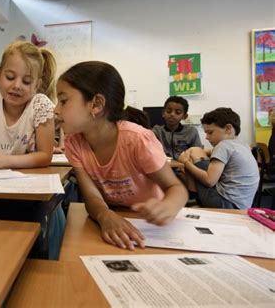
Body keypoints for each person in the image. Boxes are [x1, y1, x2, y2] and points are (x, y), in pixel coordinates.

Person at [55, 61, 188, 250]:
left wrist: (168, 207)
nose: (56, 109)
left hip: (151, 227)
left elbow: (176, 188)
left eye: (63, 100)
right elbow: (92, 198)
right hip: (112, 219)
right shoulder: (73, 144)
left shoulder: (137, 140)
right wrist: (105, 216)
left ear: (97, 104)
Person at [0, 40, 56, 170]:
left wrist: (6, 161)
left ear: (36, 86)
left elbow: (45, 156)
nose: (17, 86)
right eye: (10, 77)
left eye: (26, 82)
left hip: (31, 180)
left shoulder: (40, 106)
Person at [178, 108, 259, 209]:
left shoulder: (223, 146)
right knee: (196, 151)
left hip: (224, 202)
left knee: (193, 152)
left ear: (228, 129)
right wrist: (201, 151)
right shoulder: (243, 145)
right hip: (242, 204)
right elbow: (212, 152)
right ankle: (193, 199)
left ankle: (193, 199)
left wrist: (186, 162)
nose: (207, 137)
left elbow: (209, 181)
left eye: (210, 132)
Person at [152, 96, 202, 160]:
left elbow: (198, 154)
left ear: (184, 116)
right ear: (163, 113)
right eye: (169, 111)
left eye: (178, 112)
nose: (172, 114)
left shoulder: (191, 132)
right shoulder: (156, 131)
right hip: (163, 167)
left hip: (184, 167)